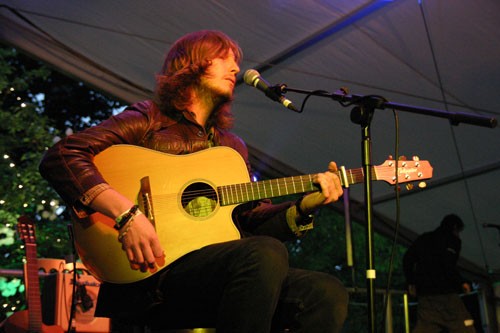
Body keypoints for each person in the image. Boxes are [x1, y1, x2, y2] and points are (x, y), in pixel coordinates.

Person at [39, 30, 349, 333]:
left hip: (216, 275)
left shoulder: (231, 147)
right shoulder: (148, 119)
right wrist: (127, 214)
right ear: (190, 64)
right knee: (263, 253)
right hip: (152, 276)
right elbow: (62, 156)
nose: (236, 68)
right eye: (223, 57)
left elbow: (252, 221)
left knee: (324, 292)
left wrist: (306, 205)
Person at [403, 214, 476, 333]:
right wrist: (461, 282)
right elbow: (448, 265)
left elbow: (407, 259)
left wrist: (411, 282)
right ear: (455, 228)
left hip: (425, 294)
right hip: (445, 294)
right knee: (464, 325)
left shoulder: (424, 238)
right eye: (458, 231)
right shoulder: (452, 241)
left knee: (425, 327)